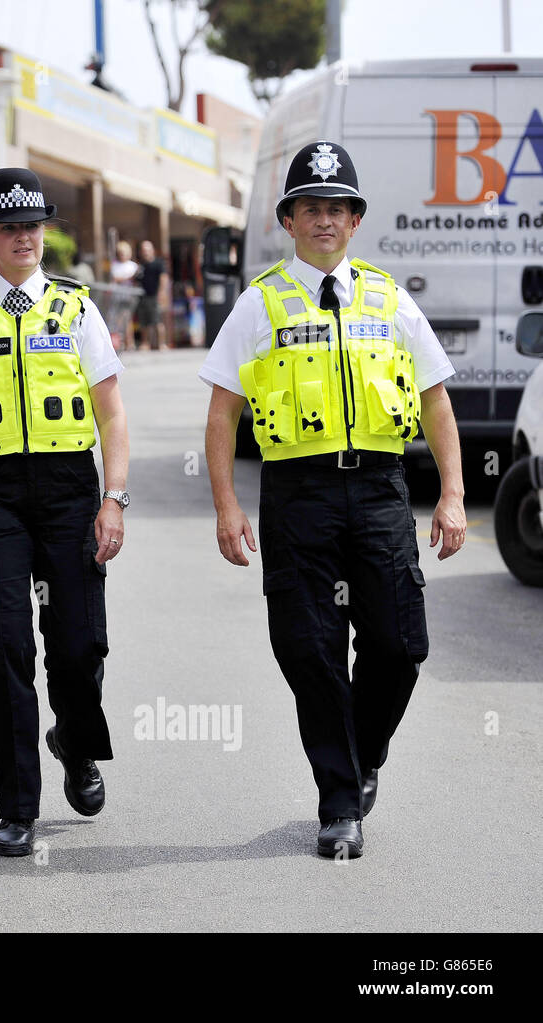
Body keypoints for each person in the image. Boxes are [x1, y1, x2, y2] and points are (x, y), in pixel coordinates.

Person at [201, 140, 465, 859]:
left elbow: (437, 400)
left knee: (401, 644)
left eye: (337, 208)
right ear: (289, 221)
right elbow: (223, 412)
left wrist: (452, 494)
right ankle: (339, 801)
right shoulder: (260, 304)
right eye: (310, 207)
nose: (324, 219)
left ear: (355, 221)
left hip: (380, 489)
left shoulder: (389, 298)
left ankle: (361, 750)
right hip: (299, 494)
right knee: (308, 647)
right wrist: (227, 505)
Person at [0, 168, 130, 857]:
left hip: (71, 486)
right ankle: (17, 804)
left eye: (32, 226)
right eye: (8, 228)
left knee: (78, 643)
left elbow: (112, 414)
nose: (22, 237)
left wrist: (114, 499)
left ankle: (75, 743)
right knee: (0, 644)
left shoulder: (78, 311)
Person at [135, 240, 168, 350]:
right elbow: (136, 280)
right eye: (143, 250)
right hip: (143, 297)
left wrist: (162, 293)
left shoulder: (159, 263)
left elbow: (163, 278)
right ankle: (146, 343)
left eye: (147, 250)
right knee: (144, 322)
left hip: (155, 296)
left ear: (152, 250)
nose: (145, 252)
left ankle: (161, 343)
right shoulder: (141, 266)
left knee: (157, 321)